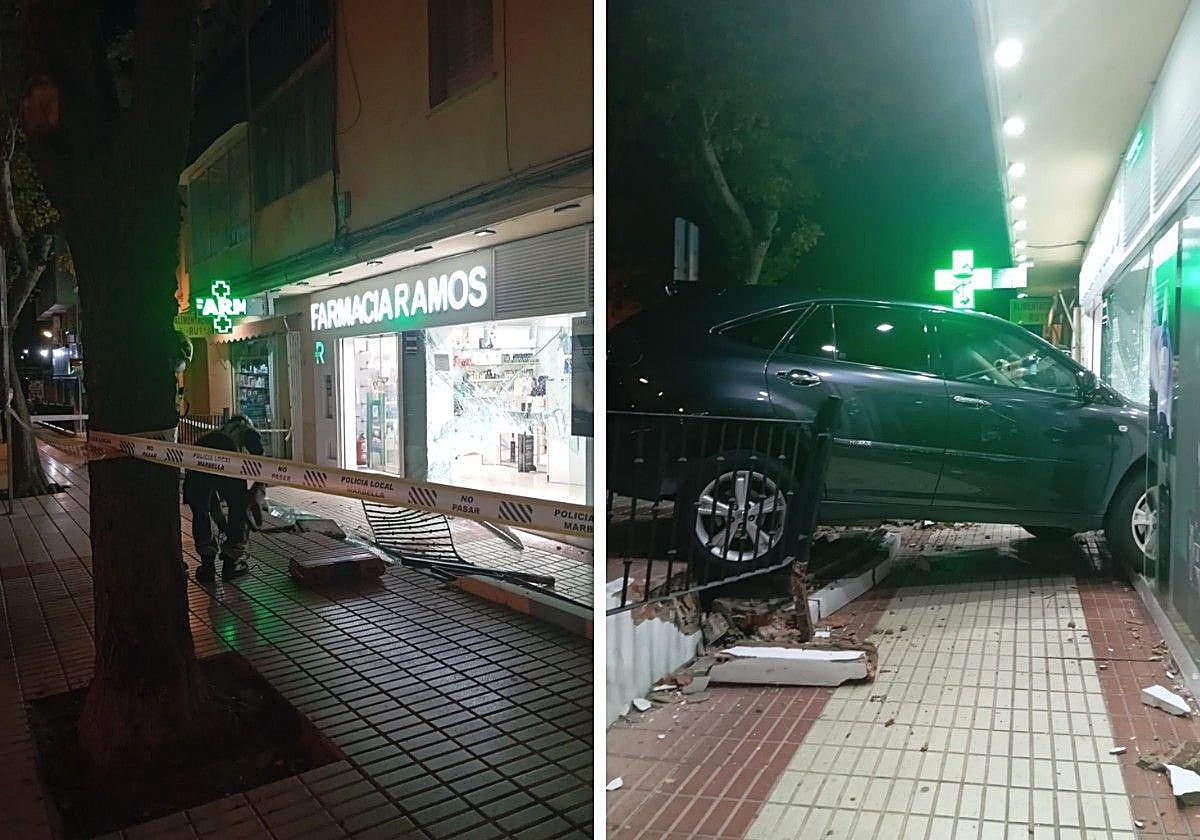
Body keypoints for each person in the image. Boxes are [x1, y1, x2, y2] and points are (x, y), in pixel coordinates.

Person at [182, 415, 266, 583]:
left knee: (200, 513)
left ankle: (207, 568)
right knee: (238, 509)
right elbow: (261, 460)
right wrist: (257, 490)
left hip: (196, 457)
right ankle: (231, 564)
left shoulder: (213, 435)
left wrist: (221, 522)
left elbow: (207, 499)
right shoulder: (245, 428)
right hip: (225, 457)